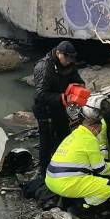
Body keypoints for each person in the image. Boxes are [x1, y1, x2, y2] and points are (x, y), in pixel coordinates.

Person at [44, 105, 110, 214]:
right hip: (65, 184)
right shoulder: (90, 139)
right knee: (109, 187)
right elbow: (101, 169)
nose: (98, 134)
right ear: (94, 128)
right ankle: (82, 207)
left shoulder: (74, 135)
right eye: (98, 131)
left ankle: (71, 199)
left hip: (51, 180)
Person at [33, 41, 84, 177]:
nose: (68, 61)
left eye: (71, 59)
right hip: (45, 109)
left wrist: (80, 86)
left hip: (60, 107)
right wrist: (62, 97)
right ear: (58, 53)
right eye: (66, 58)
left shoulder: (70, 63)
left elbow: (76, 78)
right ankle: (44, 172)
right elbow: (41, 93)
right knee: (46, 142)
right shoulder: (44, 67)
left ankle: (61, 165)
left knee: (64, 136)